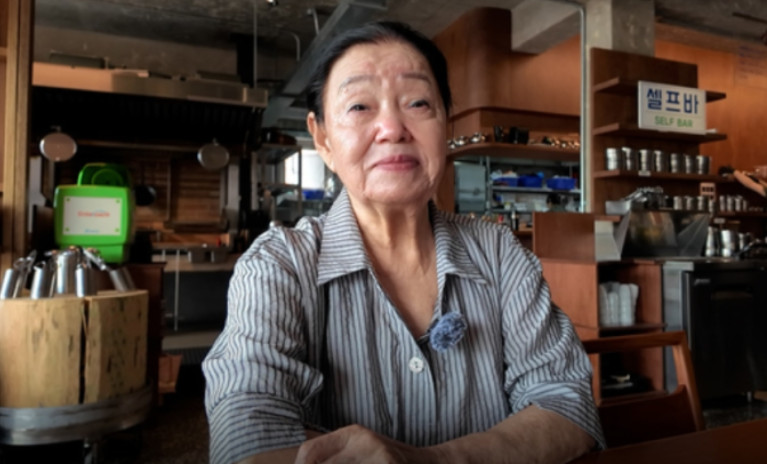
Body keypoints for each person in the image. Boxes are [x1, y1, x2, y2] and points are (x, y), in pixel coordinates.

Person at [203, 21, 604, 464]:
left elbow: (567, 405)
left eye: (418, 103)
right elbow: (250, 435)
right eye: (359, 106)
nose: (392, 128)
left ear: (445, 125)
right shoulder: (279, 266)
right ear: (322, 139)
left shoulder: (499, 253)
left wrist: (430, 461)